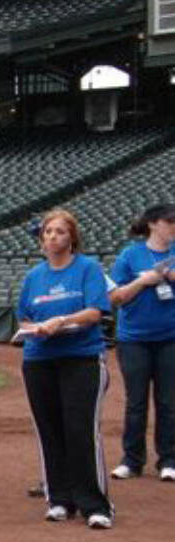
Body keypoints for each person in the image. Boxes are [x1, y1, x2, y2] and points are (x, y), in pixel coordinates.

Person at [16, 209, 114, 528]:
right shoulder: (34, 277)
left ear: (71, 237)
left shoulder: (87, 268)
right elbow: (24, 318)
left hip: (81, 357)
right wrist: (36, 328)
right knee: (49, 430)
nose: (52, 237)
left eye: (59, 231)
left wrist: (63, 321)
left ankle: (95, 505)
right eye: (47, 232)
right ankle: (59, 499)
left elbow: (95, 311)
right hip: (40, 359)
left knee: (81, 430)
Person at [108, 203, 175, 483]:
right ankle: (131, 460)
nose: (173, 227)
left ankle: (169, 460)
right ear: (153, 224)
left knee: (168, 402)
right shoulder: (130, 255)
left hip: (171, 338)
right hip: (133, 338)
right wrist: (144, 281)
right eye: (169, 222)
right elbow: (114, 296)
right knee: (136, 402)